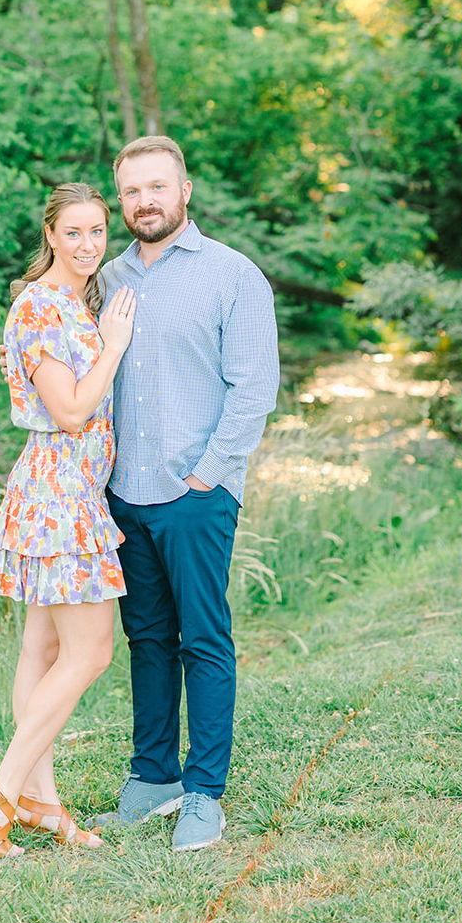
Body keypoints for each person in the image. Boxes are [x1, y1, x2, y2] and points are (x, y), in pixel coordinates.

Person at [92, 136, 281, 851]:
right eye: (132, 191)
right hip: (124, 495)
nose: (145, 201)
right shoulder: (105, 279)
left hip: (196, 494)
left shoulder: (233, 275)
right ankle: (153, 778)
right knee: (146, 639)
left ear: (185, 191)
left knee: (203, 638)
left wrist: (207, 475)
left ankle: (204, 793)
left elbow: (254, 389)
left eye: (157, 187)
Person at [0, 184, 138, 859]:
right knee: (91, 653)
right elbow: (71, 411)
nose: (88, 245)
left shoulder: (72, 302)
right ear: (50, 235)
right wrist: (114, 345)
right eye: (74, 232)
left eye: (97, 232)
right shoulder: (40, 306)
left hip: (69, 490)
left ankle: (40, 801)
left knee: (45, 649)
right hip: (59, 496)